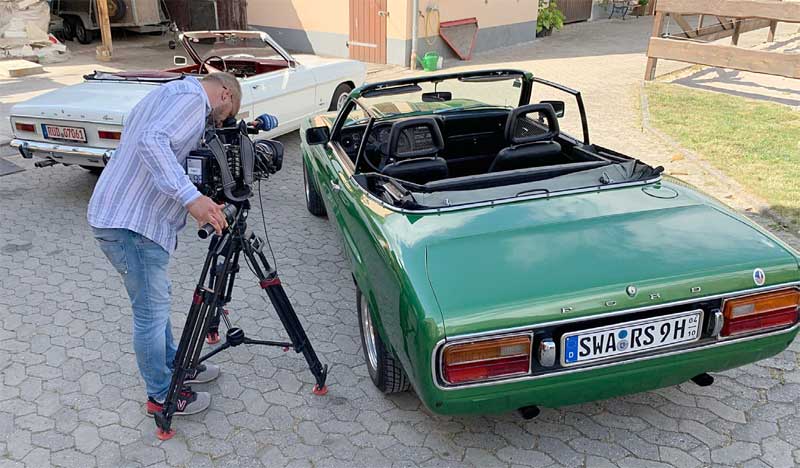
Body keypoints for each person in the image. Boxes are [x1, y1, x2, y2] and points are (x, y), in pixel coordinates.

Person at [87, 72, 242, 417]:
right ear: (225, 94)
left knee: (157, 303)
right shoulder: (192, 99)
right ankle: (161, 396)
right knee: (150, 313)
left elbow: (150, 141)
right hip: (130, 224)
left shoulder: (171, 92)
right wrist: (191, 198)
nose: (218, 123)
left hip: (127, 218)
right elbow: (151, 140)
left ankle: (175, 367)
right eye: (226, 115)